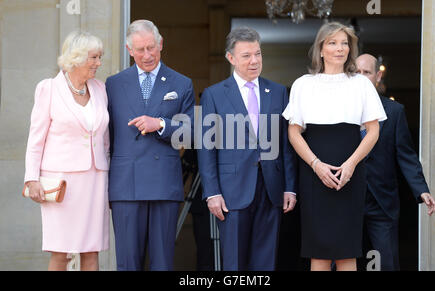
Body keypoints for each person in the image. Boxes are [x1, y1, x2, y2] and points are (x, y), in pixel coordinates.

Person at [282, 22, 387, 271]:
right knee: (317, 253)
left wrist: (351, 165)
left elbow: (373, 131)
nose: (340, 48)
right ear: (320, 49)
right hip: (313, 176)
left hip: (350, 176)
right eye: (332, 43)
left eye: (344, 43)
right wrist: (316, 165)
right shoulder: (303, 84)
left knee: (346, 252)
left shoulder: (361, 84)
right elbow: (293, 132)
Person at [197, 26, 298, 271]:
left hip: (271, 188)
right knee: (235, 262)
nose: (254, 61)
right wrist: (212, 192)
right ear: (231, 58)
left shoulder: (278, 92)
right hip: (231, 191)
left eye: (258, 54)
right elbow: (207, 147)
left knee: (265, 261)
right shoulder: (214, 94)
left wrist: (290, 188)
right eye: (246, 55)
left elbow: (286, 144)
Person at [106, 19, 195, 271]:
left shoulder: (181, 83)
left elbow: (189, 133)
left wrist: (161, 124)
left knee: (162, 263)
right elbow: (105, 137)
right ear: (129, 49)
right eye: (140, 49)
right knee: (127, 262)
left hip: (163, 184)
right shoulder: (112, 84)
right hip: (125, 185)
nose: (147, 55)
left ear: (161, 44)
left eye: (151, 48)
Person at [24, 31, 109, 271]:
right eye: (93, 57)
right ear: (77, 57)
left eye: (100, 57)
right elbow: (35, 140)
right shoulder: (49, 89)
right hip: (61, 183)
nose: (98, 63)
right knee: (60, 252)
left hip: (95, 180)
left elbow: (105, 140)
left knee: (91, 251)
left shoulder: (100, 89)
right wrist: (31, 179)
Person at [355, 53, 435, 270]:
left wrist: (421, 189)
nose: (361, 77)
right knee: (344, 262)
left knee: (385, 263)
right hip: (347, 199)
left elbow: (406, 155)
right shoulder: (338, 110)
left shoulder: (394, 111)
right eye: (357, 72)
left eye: (367, 72)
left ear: (377, 77)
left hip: (382, 201)